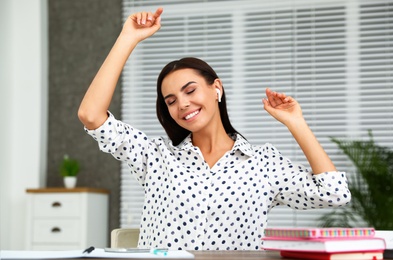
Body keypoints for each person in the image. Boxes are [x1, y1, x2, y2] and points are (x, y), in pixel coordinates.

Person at [78, 8, 351, 250]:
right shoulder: (155, 157)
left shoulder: (263, 163)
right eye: (171, 101)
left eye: (190, 91)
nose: (183, 104)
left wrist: (296, 122)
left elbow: (334, 193)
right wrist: (128, 38)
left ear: (216, 88)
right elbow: (91, 115)